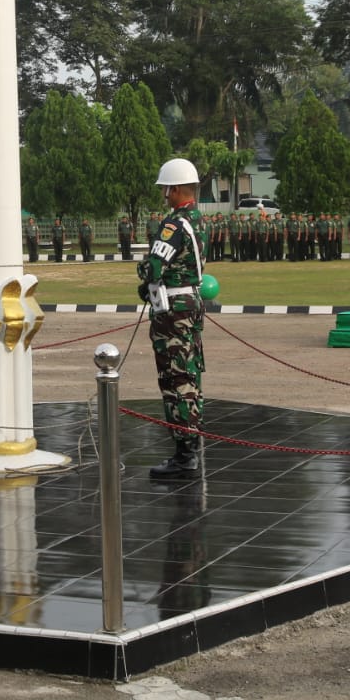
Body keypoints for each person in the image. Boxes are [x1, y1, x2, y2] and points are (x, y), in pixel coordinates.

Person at [138, 158, 208, 481]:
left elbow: (152, 268)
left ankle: (185, 453)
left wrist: (143, 274)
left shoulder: (174, 225)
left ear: (177, 189)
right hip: (191, 302)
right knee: (190, 373)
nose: (164, 194)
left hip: (173, 309)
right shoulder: (199, 221)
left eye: (166, 189)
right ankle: (192, 440)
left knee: (174, 377)